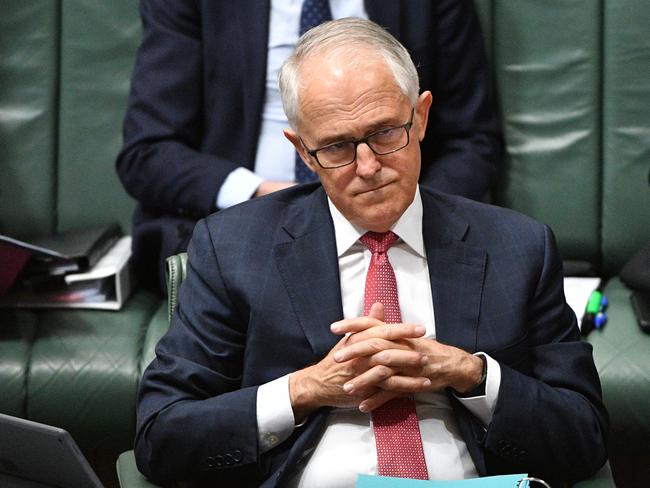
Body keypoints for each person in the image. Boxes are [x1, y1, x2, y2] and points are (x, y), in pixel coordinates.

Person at [134, 18, 607, 488]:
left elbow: (583, 436)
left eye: (384, 134)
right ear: (302, 150)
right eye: (337, 146)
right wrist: (305, 389)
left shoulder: (518, 248)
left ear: (420, 117)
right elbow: (161, 437)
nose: (367, 167)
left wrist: (469, 373)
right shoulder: (233, 247)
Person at [116, 0, 502, 293]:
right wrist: (265, 198)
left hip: (395, 218)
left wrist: (407, 214)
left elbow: (473, 140)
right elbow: (148, 153)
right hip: (247, 223)